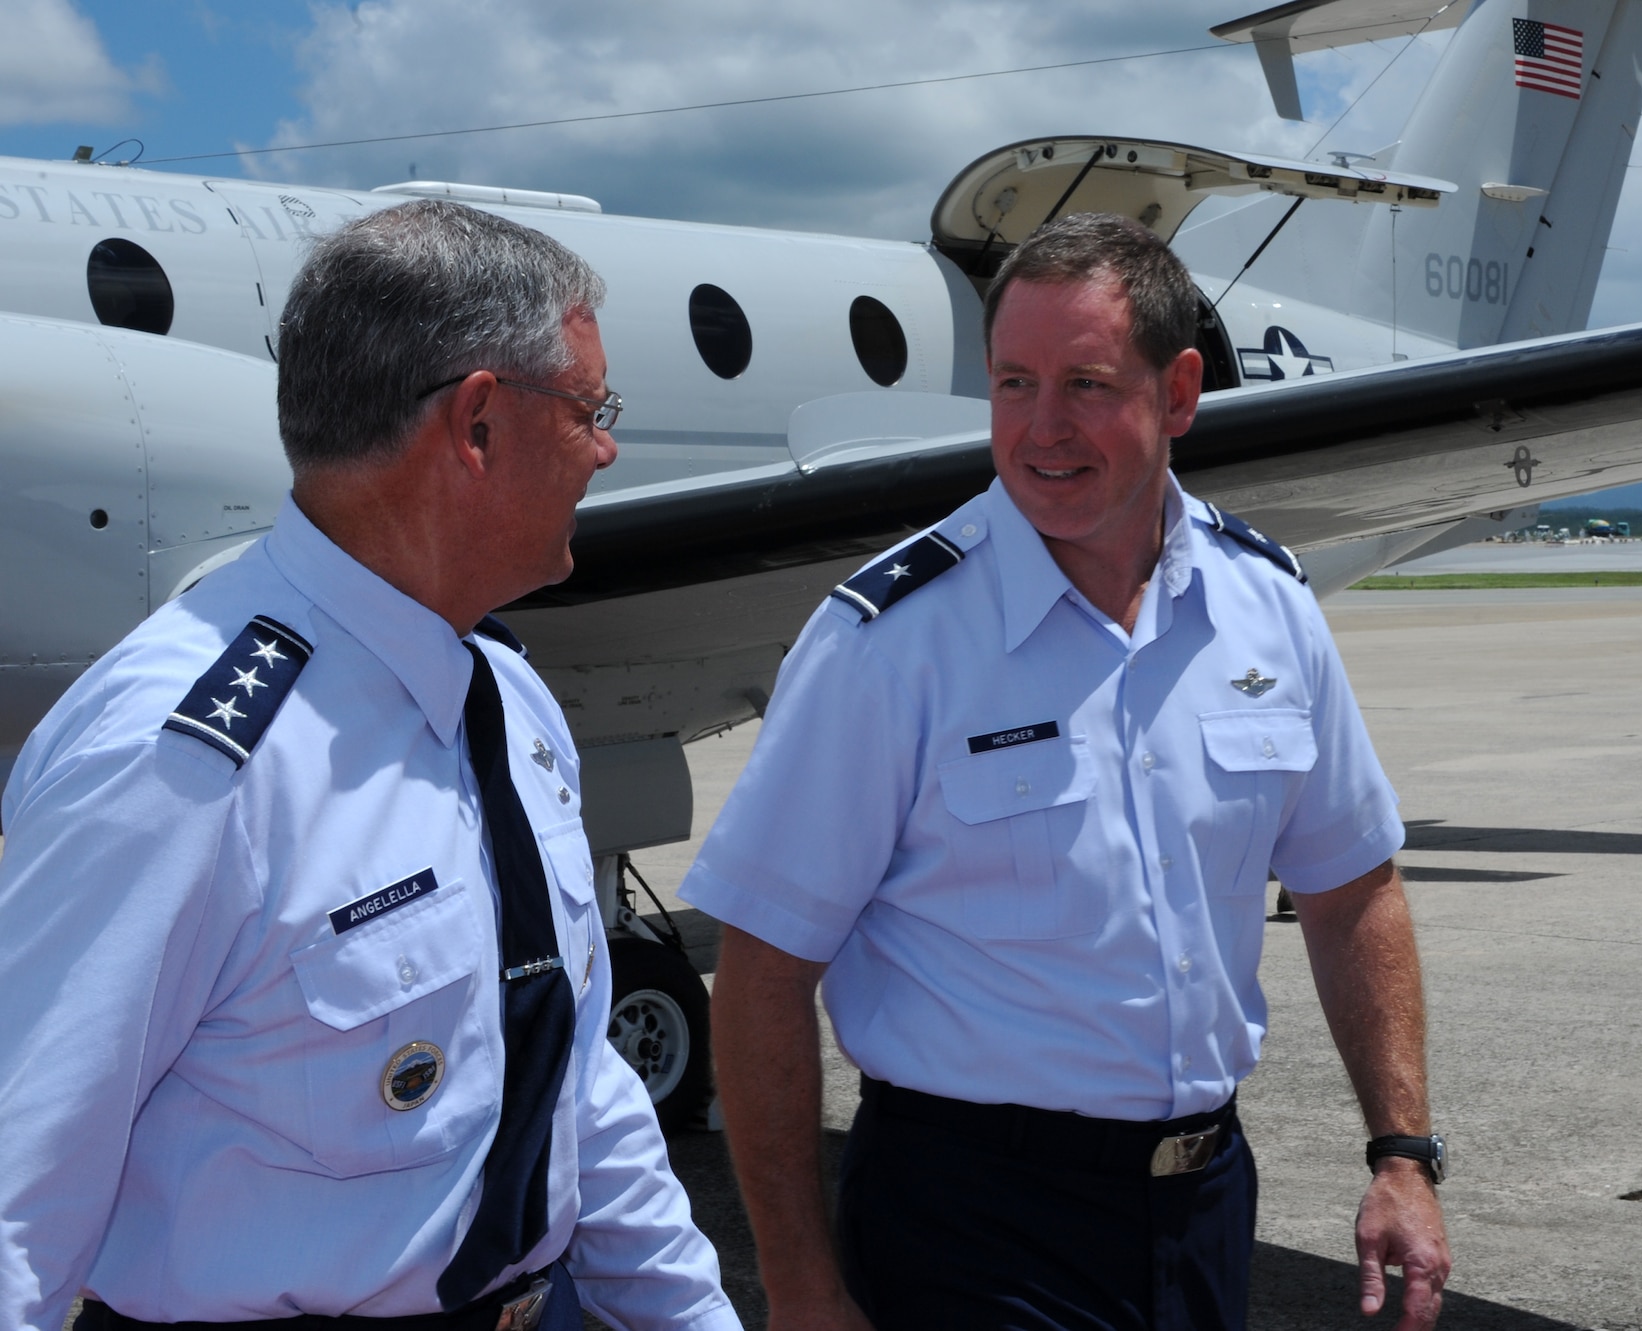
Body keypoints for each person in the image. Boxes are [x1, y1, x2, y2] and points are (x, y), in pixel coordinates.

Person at [683, 212, 1450, 1331]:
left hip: (1201, 1206)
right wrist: (801, 1286)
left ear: (1178, 392)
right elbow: (760, 966)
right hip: (969, 1219)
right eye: (1011, 383)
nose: (1041, 428)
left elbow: (1351, 891)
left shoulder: (1265, 607)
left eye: (1086, 383)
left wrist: (1401, 1152)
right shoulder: (890, 640)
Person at [0, 201, 740, 1331]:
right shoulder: (182, 757)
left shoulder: (506, 694)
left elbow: (572, 1079)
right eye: (592, 409)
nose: (607, 449)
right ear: (479, 423)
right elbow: (19, 1201)